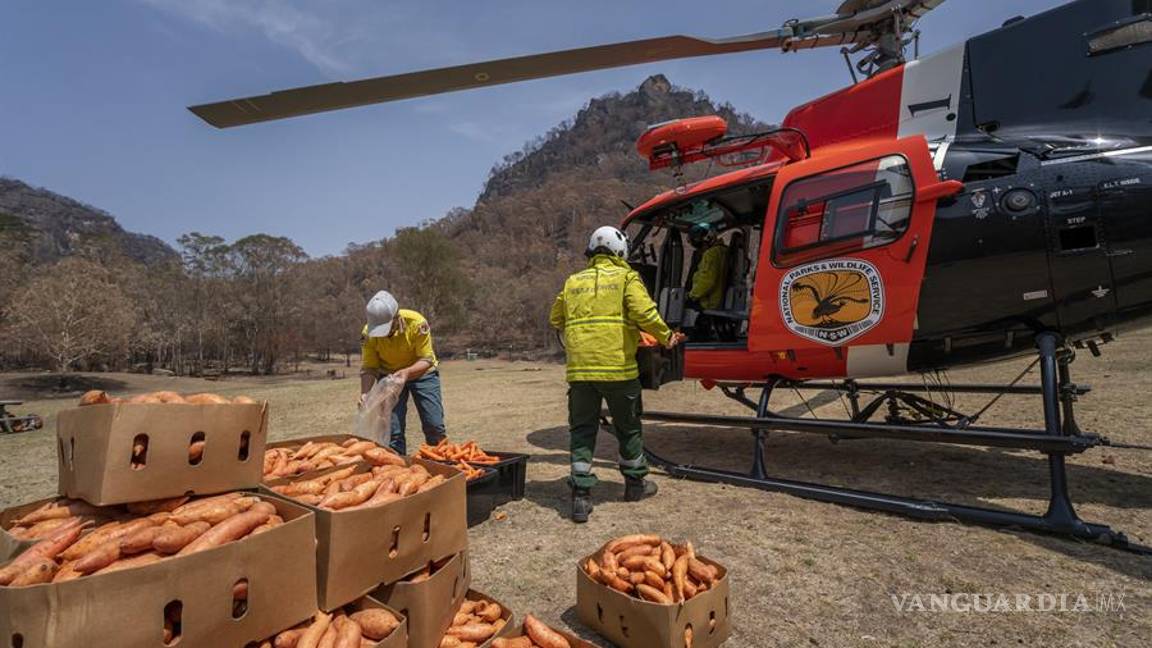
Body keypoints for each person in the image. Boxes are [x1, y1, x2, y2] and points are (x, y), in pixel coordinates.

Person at [549, 225, 685, 523]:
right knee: (629, 428)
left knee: (582, 431)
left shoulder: (572, 282)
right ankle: (635, 485)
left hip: (581, 374)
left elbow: (555, 317)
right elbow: (644, 313)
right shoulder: (626, 278)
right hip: (619, 372)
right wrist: (667, 337)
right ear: (620, 251)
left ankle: (581, 496)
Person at [359, 290, 447, 454]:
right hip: (389, 378)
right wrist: (365, 393)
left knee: (434, 425)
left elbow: (427, 360)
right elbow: (369, 367)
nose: (384, 333)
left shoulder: (417, 323)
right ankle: (397, 466)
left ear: (396, 317)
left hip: (422, 374)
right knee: (393, 430)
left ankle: (441, 460)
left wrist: (406, 372)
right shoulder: (368, 334)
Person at [685, 222, 729, 340]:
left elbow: (707, 281)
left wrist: (691, 296)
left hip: (709, 301)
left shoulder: (711, 254)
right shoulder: (723, 251)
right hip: (718, 298)